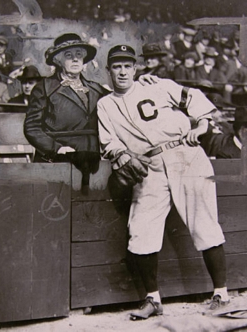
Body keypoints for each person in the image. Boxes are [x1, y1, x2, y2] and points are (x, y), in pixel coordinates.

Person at [97, 45, 229, 320]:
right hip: (148, 165)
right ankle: (153, 299)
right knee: (141, 227)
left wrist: (202, 125)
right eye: (116, 66)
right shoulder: (105, 104)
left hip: (185, 153)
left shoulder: (156, 85)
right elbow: (109, 141)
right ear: (108, 71)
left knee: (203, 221)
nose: (122, 71)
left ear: (135, 69)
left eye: (127, 66)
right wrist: (123, 155)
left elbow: (193, 98)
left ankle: (221, 292)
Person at [24, 33, 111, 192]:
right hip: (57, 162)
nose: (75, 59)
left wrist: (145, 84)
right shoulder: (44, 88)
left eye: (79, 54)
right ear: (58, 60)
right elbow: (32, 128)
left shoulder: (97, 89)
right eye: (69, 55)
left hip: (92, 164)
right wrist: (56, 148)